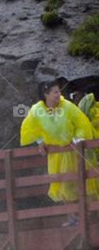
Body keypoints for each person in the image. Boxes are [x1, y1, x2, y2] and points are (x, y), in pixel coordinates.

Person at [20, 79, 99, 226]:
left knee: (78, 184)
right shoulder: (37, 110)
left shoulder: (67, 107)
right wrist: (40, 141)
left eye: (59, 91)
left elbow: (81, 123)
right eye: (55, 92)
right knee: (62, 186)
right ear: (46, 94)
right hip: (56, 155)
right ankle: (73, 217)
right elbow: (30, 126)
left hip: (72, 151)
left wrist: (78, 137)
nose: (58, 95)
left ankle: (87, 217)